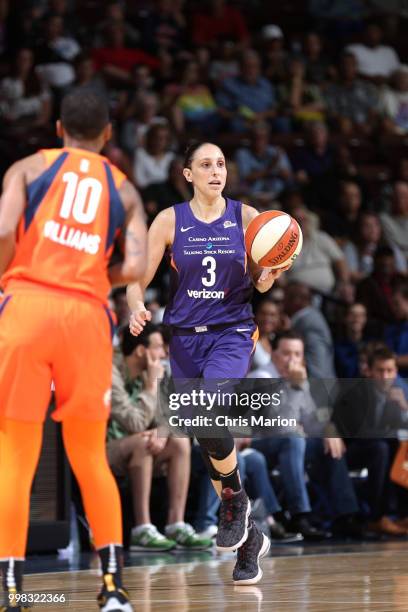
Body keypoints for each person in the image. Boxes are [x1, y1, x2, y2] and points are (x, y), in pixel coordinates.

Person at [0, 87, 147, 612]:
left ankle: (14, 591)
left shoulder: (25, 168)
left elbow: (0, 232)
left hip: (27, 307)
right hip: (86, 316)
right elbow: (134, 266)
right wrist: (91, 277)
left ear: (57, 128)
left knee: (16, 455)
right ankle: (112, 590)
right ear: (108, 135)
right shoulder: (125, 189)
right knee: (88, 455)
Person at [127, 141, 290, 585]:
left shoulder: (247, 217)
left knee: (211, 411)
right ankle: (250, 534)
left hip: (231, 334)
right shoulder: (169, 220)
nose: (215, 171)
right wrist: (137, 306)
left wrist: (268, 273)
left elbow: (259, 282)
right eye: (205, 164)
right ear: (187, 174)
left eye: (220, 163)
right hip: (183, 340)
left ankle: (234, 504)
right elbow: (136, 283)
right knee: (205, 437)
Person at [108, 324, 212, 551]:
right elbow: (134, 423)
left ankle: (176, 524)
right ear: (140, 351)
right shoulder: (111, 372)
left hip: (140, 445)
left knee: (179, 440)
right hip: (106, 448)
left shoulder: (150, 371)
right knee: (144, 442)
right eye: (157, 348)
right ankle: (141, 529)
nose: (164, 354)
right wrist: (151, 386)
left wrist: (161, 431)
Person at [250, 331, 362, 539]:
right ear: (274, 355)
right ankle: (299, 514)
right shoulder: (261, 378)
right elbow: (276, 426)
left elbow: (311, 422)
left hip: (292, 442)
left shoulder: (298, 380)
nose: (292, 360)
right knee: (293, 439)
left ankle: (345, 515)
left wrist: (329, 430)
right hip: (257, 443)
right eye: (286, 354)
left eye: (297, 354)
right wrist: (294, 388)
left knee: (328, 444)